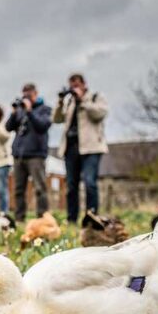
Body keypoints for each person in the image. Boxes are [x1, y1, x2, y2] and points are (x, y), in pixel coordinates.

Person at [53, 73, 109, 224]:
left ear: (84, 84)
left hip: (91, 148)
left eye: (76, 85)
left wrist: (82, 100)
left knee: (90, 182)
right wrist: (60, 102)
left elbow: (101, 113)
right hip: (70, 148)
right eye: (72, 85)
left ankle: (91, 218)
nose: (74, 88)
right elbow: (56, 119)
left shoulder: (95, 97)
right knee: (71, 185)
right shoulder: (69, 102)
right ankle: (71, 218)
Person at [5, 83, 52, 222]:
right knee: (18, 190)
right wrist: (14, 113)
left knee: (39, 188)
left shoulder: (45, 109)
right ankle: (19, 218)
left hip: (36, 155)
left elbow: (43, 126)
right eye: (24, 94)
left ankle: (42, 218)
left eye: (29, 94)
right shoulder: (20, 111)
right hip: (19, 155)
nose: (26, 97)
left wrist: (30, 111)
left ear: (36, 94)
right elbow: (8, 127)